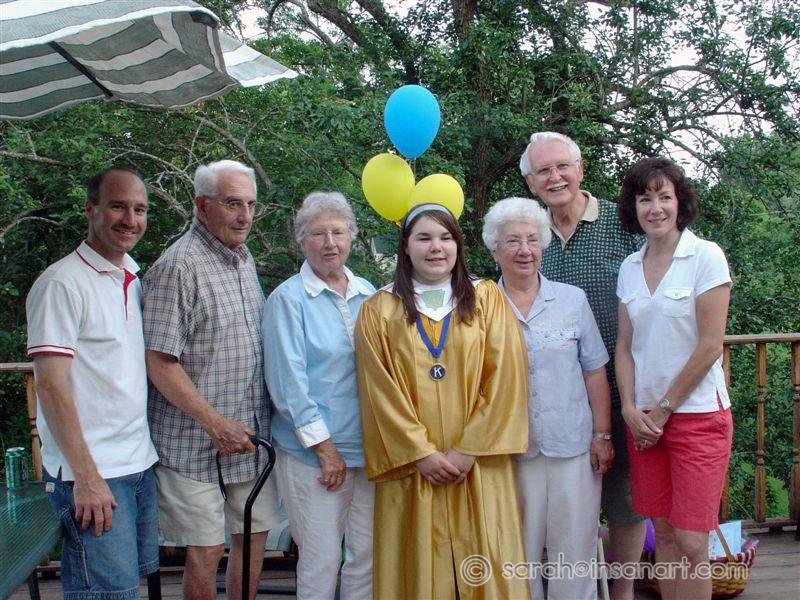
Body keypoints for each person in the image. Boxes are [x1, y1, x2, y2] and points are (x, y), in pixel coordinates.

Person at [354, 203, 530, 599]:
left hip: (478, 464)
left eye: (446, 237)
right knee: (417, 566)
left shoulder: (486, 298)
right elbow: (378, 391)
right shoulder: (379, 310)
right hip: (415, 468)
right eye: (424, 238)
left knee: (486, 561)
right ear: (405, 246)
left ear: (458, 245)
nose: (436, 247)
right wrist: (420, 453)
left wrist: (469, 448)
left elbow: (505, 377)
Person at [143, 160, 279, 600]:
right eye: (233, 204)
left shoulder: (243, 258)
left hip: (247, 436)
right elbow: (159, 362)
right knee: (205, 549)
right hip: (194, 441)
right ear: (202, 207)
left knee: (254, 535)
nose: (245, 216)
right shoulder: (178, 267)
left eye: (251, 205)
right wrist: (214, 423)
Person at [521, 131, 645, 599]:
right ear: (531, 183)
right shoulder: (529, 232)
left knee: (626, 504)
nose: (554, 177)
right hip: (559, 405)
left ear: (580, 170)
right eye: (543, 171)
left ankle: (622, 592)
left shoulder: (623, 223)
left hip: (625, 391)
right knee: (566, 509)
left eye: (562, 167)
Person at [26, 167, 159, 598]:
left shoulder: (132, 277)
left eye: (139, 209)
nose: (130, 220)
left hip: (137, 463)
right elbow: (50, 386)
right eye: (118, 206)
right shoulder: (61, 283)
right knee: (105, 593)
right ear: (91, 209)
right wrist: (86, 477)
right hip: (93, 474)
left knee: (124, 587)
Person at [483, 197, 613, 599]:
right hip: (509, 450)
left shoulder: (572, 299)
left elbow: (594, 370)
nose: (525, 250)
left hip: (572, 445)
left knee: (574, 549)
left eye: (533, 240)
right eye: (513, 241)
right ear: (494, 249)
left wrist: (603, 435)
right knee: (517, 551)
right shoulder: (480, 306)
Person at [615, 157, 733, 600]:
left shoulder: (705, 256)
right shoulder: (630, 266)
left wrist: (663, 410)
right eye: (645, 199)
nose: (656, 208)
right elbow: (624, 347)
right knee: (662, 535)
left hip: (697, 417)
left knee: (691, 541)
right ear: (634, 208)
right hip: (644, 423)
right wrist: (630, 408)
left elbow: (710, 346)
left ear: (680, 203)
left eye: (664, 197)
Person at [262, 192, 375, 600]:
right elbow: (287, 385)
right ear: (301, 240)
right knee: (320, 559)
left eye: (338, 232)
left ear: (351, 236)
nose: (330, 243)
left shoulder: (369, 293)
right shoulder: (288, 299)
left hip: (370, 452)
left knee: (367, 557)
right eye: (318, 234)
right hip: (314, 457)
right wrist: (325, 449)